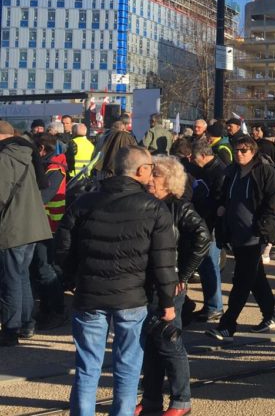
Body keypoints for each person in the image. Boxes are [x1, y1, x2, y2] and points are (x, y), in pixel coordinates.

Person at [55, 146, 177, 415]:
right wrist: (168, 301)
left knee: (87, 368)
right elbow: (164, 261)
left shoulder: (83, 202)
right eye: (150, 169)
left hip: (89, 294)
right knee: (128, 368)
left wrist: (73, 277)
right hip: (132, 298)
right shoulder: (154, 208)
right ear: (141, 170)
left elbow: (62, 245)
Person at [138, 156, 210, 416]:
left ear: (168, 180)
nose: (149, 179)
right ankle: (151, 399)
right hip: (147, 282)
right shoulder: (147, 203)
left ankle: (181, 401)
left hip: (170, 284)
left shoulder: (179, 207)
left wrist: (185, 275)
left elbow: (203, 237)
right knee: (152, 343)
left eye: (154, 174)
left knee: (170, 343)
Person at [206, 135, 275, 341]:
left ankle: (228, 325)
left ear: (253, 151)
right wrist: (221, 209)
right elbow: (224, 195)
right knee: (256, 277)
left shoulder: (265, 172)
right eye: (237, 150)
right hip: (236, 233)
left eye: (244, 150)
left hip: (254, 235)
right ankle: (271, 314)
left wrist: (264, 227)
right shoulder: (232, 172)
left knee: (241, 280)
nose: (240, 154)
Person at [0, 121, 52, 346]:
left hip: (13, 226)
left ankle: (10, 330)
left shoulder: (5, 157)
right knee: (22, 277)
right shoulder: (26, 153)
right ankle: (26, 323)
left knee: (10, 279)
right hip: (32, 225)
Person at [32, 134, 69, 330]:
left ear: (42, 150)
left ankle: (57, 310)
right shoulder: (49, 167)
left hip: (49, 226)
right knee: (42, 268)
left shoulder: (55, 170)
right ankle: (47, 309)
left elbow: (43, 197)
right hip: (44, 224)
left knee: (46, 269)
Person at [189, 138, 227, 322]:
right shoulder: (207, 168)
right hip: (205, 223)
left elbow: (217, 200)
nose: (192, 160)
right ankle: (211, 305)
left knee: (210, 265)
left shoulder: (218, 171)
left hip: (210, 225)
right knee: (206, 266)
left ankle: (214, 306)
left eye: (194, 157)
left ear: (204, 156)